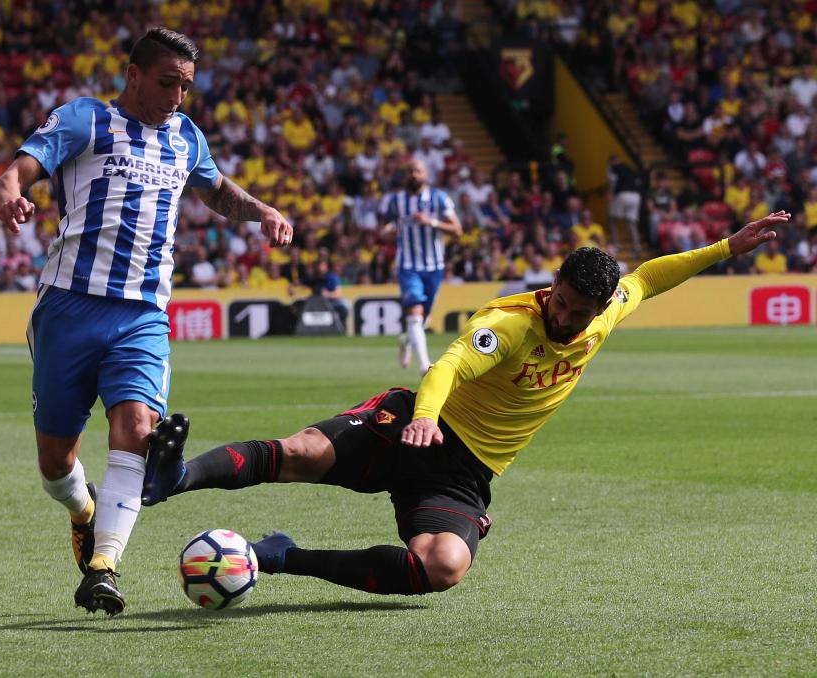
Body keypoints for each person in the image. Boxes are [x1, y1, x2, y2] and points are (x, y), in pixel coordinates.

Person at [140, 212, 787, 597]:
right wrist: (423, 416)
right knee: (302, 453)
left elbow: (648, 277)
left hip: (464, 471)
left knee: (443, 568)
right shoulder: (509, 323)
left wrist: (728, 247)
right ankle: (174, 479)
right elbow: (449, 364)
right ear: (552, 285)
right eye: (557, 301)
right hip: (415, 424)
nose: (561, 316)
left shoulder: (606, 310)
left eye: (574, 312)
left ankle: (281, 556)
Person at [0, 27, 293, 616]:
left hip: (143, 314)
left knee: (135, 426)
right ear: (133, 74)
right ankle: (83, 510)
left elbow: (216, 189)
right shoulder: (85, 120)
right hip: (68, 310)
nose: (177, 96)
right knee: (55, 463)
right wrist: (8, 194)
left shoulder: (186, 136)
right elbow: (17, 172)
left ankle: (104, 566)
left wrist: (263, 212)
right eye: (166, 82)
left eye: (186, 86)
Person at [381, 158, 462, 375]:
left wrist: (431, 222)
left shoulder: (438, 199)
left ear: (426, 175)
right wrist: (386, 233)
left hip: (434, 266)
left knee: (422, 320)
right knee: (415, 315)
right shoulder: (396, 200)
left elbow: (457, 230)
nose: (413, 175)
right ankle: (425, 366)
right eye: (410, 171)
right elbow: (387, 228)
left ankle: (406, 339)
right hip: (407, 265)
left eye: (417, 171)